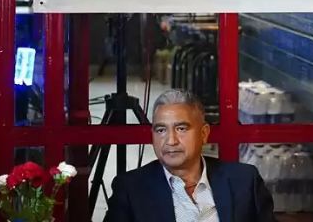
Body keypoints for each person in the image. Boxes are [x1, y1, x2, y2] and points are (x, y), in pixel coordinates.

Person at [105, 89, 275, 222]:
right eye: (161, 130)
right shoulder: (131, 189)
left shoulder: (245, 181)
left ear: (204, 133)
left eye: (181, 129)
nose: (171, 141)